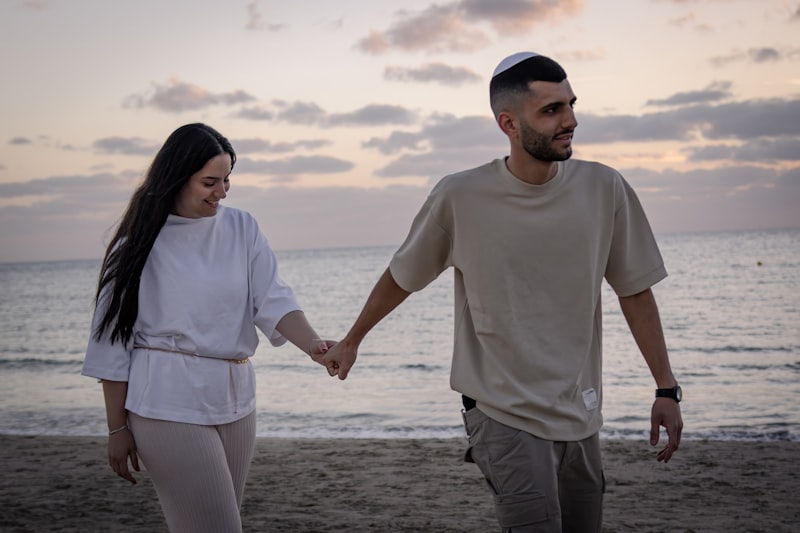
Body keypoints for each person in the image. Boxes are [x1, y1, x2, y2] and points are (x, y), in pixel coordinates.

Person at [322, 52, 683, 532]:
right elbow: (403, 275)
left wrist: (665, 388)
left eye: (571, 104)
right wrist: (352, 340)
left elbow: (635, 292)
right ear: (508, 123)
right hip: (501, 411)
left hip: (580, 410)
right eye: (551, 110)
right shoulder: (461, 196)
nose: (570, 120)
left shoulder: (605, 188)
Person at [81, 123, 333, 533]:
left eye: (227, 180)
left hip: (237, 399)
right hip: (166, 404)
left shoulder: (243, 227)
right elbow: (112, 345)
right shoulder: (135, 247)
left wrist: (315, 345)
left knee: (217, 523)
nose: (222, 191)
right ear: (177, 179)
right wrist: (117, 428)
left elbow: (273, 299)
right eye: (210, 181)